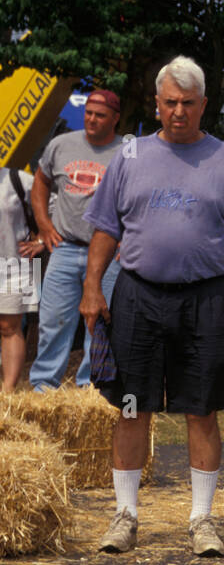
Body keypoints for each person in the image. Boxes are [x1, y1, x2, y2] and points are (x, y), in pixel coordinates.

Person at [81, 55, 224, 556]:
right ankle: (124, 516)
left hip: (206, 298)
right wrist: (92, 287)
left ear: (204, 105)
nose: (178, 112)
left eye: (188, 104)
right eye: (170, 103)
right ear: (157, 103)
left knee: (202, 410)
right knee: (130, 407)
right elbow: (105, 229)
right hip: (139, 295)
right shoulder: (129, 155)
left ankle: (202, 520)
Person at [28, 89, 124, 390]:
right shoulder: (61, 144)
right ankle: (44, 387)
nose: (92, 119)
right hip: (66, 248)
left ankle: (90, 387)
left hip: (108, 253)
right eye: (89, 113)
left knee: (101, 324)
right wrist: (44, 225)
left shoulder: (127, 152)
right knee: (52, 321)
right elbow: (40, 183)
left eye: (100, 115)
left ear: (115, 119)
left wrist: (131, 236)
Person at [0, 165, 38, 391]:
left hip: (13, 263)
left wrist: (42, 240)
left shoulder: (18, 179)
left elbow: (51, 208)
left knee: (9, 327)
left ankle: (7, 392)